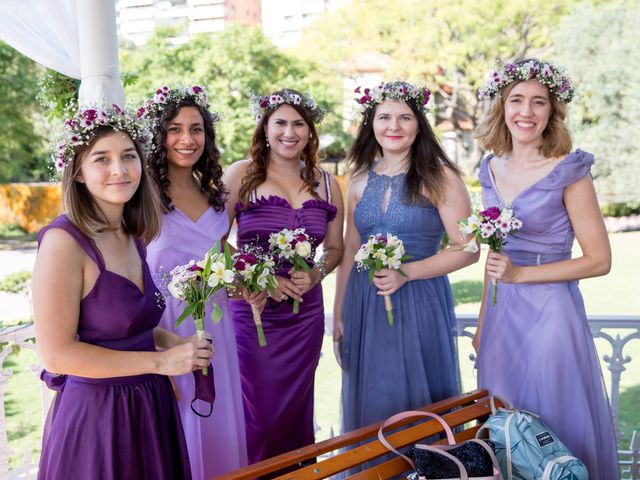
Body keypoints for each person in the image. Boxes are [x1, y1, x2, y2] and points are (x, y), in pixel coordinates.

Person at [33, 105, 213, 479]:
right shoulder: (64, 243)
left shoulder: (132, 234)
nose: (120, 169)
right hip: (99, 418)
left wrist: (175, 343)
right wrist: (161, 363)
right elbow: (57, 354)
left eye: (128, 156)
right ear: (79, 173)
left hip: (150, 407)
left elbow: (129, 325)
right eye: (102, 159)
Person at [473, 58, 619, 478]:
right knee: (504, 423)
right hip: (502, 318)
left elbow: (600, 260)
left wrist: (521, 275)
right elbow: (495, 256)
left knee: (554, 418)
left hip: (550, 312)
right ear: (502, 106)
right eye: (517, 100)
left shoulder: (570, 170)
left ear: (552, 112)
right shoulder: (490, 168)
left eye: (539, 102)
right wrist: (484, 322)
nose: (526, 111)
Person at [335, 81, 479, 433]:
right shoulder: (357, 181)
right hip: (364, 304)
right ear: (371, 124)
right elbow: (351, 249)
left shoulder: (440, 177)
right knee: (373, 400)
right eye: (384, 117)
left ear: (419, 125)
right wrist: (338, 314)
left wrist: (407, 273)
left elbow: (469, 248)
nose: (394, 126)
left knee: (417, 403)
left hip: (419, 301)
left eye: (405, 117)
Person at [223, 89, 344, 464]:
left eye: (298, 124)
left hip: (303, 316)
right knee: (260, 415)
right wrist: (261, 279)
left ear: (310, 132)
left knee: (294, 410)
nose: (289, 132)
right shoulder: (241, 174)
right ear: (265, 128)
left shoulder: (327, 183)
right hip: (254, 312)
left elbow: (336, 248)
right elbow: (212, 241)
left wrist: (317, 274)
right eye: (280, 123)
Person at [140, 85, 248, 478]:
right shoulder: (141, 195)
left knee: (219, 422)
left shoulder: (215, 194)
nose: (187, 139)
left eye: (196, 129)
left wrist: (252, 279)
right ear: (158, 135)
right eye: (175, 129)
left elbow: (220, 254)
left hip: (217, 325)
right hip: (165, 328)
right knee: (179, 422)